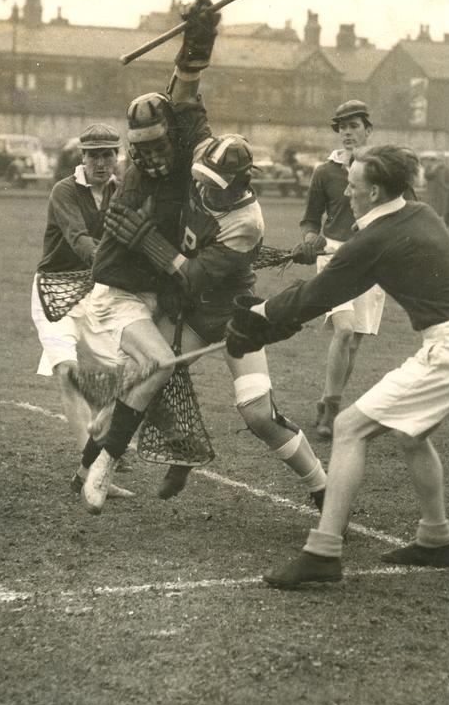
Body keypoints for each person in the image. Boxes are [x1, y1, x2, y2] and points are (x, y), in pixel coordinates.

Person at [224, 144, 449, 587]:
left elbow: (320, 294)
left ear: (374, 192)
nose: (346, 194)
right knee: (412, 436)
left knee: (350, 427)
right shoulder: (418, 212)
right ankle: (436, 538)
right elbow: (328, 289)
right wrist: (270, 322)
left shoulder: (376, 237)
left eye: (353, 187)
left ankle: (322, 553)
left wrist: (257, 318)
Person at [107, 133, 328, 506]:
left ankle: (321, 485)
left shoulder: (247, 222)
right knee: (141, 375)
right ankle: (184, 446)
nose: (202, 189)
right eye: (201, 178)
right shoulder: (200, 168)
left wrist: (148, 241)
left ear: (241, 182)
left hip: (232, 316)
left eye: (214, 185)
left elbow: (192, 275)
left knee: (259, 416)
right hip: (190, 313)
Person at [74, 0, 221, 513]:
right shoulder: (132, 184)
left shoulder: (183, 145)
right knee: (159, 363)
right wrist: (165, 258)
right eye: (144, 149)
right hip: (116, 295)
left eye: (162, 145)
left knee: (139, 382)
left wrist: (199, 38)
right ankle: (102, 467)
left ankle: (91, 447)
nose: (155, 157)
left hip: (153, 297)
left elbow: (184, 88)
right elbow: (127, 259)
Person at [31, 123, 125, 496]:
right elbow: (79, 240)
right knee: (68, 373)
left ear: (117, 157)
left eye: (108, 154)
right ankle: (88, 474)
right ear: (82, 158)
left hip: (98, 293)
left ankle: (93, 461)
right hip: (53, 291)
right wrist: (116, 261)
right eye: (94, 155)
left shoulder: (122, 192)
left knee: (130, 377)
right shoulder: (65, 191)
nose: (101, 162)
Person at [291, 100, 387, 439]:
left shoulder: (385, 170)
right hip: (333, 257)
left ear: (368, 129)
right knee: (343, 331)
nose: (347, 132)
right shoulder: (325, 171)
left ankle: (326, 402)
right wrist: (310, 237)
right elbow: (310, 218)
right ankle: (331, 410)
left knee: (354, 343)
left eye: (354, 126)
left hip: (373, 259)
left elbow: (408, 209)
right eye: (342, 127)